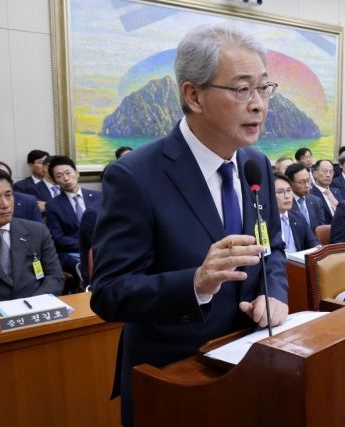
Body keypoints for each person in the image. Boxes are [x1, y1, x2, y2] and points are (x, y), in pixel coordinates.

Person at [90, 25, 289, 426]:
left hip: (247, 360)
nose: (259, 105)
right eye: (242, 89)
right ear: (193, 95)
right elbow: (109, 293)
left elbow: (274, 250)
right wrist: (195, 283)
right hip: (175, 377)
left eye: (265, 88)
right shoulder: (135, 176)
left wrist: (275, 295)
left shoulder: (257, 165)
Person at [0, 166, 64, 310]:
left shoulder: (36, 231)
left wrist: (31, 306)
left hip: (36, 311)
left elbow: (54, 276)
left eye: (8, 195)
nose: (5, 204)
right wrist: (2, 310)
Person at [45, 156, 102, 276]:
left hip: (101, 247)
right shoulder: (53, 205)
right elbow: (58, 238)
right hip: (72, 252)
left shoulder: (98, 197)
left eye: (68, 173)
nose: (66, 178)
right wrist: (86, 246)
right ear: (55, 181)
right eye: (59, 176)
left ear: (77, 173)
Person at [275, 173, 319, 252]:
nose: (287, 196)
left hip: (297, 262)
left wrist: (319, 250)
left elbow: (312, 242)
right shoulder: (264, 222)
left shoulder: (298, 217)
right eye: (281, 192)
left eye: (289, 190)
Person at [286, 162, 327, 231]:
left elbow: (321, 230)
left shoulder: (316, 201)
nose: (307, 185)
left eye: (308, 180)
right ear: (290, 183)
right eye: (302, 182)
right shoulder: (286, 203)